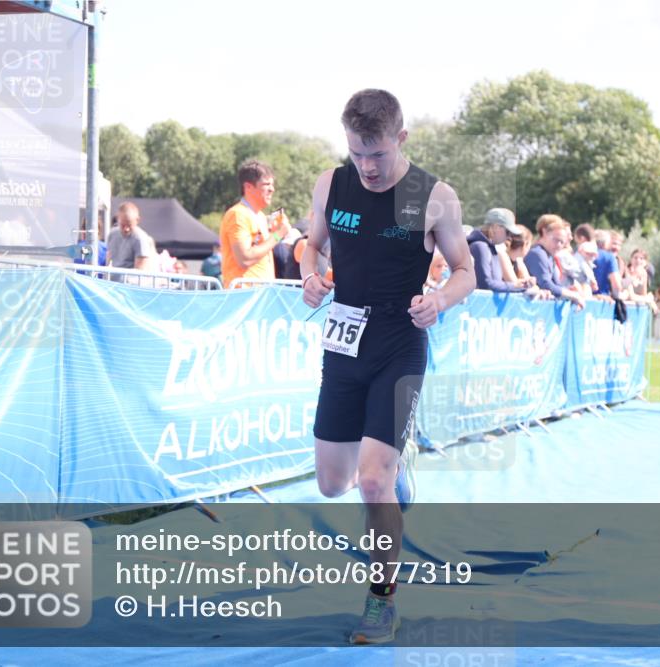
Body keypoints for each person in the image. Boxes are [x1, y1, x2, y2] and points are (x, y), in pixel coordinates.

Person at [299, 89, 475, 645]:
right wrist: (310, 275)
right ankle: (396, 468)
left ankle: (381, 601)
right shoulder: (332, 182)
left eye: (376, 153)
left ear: (400, 138)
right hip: (344, 346)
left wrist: (440, 300)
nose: (367, 167)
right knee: (333, 483)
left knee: (371, 482)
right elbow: (312, 245)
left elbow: (466, 269)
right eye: (357, 154)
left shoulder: (434, 196)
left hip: (400, 347)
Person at [219, 159, 291, 288]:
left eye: (272, 185)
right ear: (248, 186)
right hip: (243, 295)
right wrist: (277, 235)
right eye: (266, 184)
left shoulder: (260, 216)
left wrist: (272, 234)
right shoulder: (237, 214)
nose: (272, 189)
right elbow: (244, 259)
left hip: (259, 295)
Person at [524, 215, 585, 309]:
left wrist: (570, 292)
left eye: (562, 242)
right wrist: (573, 296)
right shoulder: (537, 254)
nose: (559, 245)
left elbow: (557, 284)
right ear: (544, 233)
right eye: (556, 240)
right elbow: (545, 284)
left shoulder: (549, 256)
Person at [468, 208, 526, 292]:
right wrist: (515, 286)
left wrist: (518, 285)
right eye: (508, 232)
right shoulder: (480, 246)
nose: (509, 237)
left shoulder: (488, 247)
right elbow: (485, 284)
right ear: (495, 227)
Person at [106, 202, 156, 272]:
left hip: (130, 281)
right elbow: (108, 259)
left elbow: (139, 272)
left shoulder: (141, 239)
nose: (126, 229)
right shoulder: (112, 234)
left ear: (137, 220)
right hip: (111, 280)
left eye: (129, 225)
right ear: (118, 218)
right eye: (123, 225)